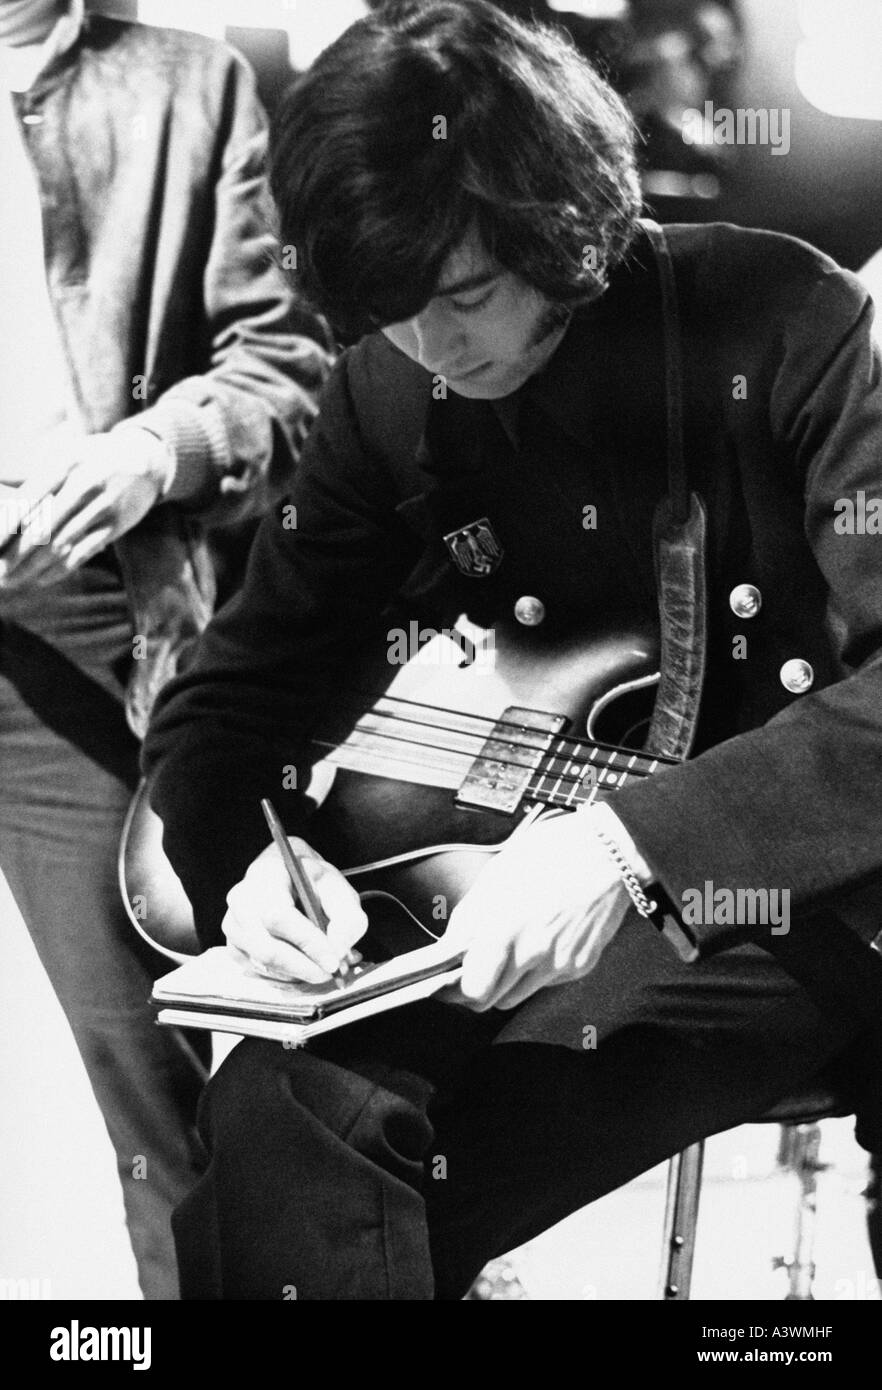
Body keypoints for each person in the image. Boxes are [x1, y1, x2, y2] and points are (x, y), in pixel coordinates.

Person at [143, 0, 882, 1299]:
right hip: (495, 901)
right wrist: (242, 865)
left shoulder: (790, 320)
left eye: (464, 296)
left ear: (563, 224)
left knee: (331, 1188)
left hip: (783, 898)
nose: (432, 348)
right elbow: (232, 695)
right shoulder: (387, 381)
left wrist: (627, 848)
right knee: (284, 1122)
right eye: (390, 313)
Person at [0, 0, 330, 1298]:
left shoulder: (191, 86)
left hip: (81, 608)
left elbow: (287, 365)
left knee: (153, 1065)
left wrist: (155, 452)